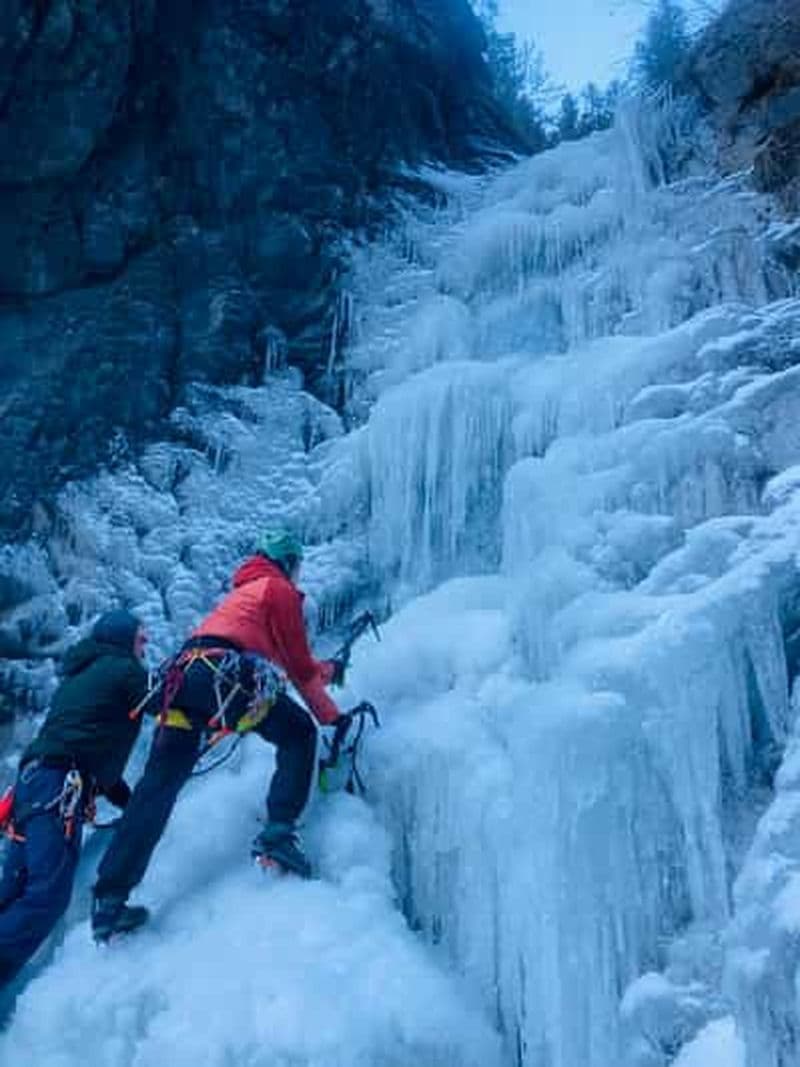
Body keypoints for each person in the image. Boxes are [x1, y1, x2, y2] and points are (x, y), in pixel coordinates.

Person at [91, 529, 348, 942]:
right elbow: (297, 667)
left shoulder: (241, 597)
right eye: (297, 568)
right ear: (289, 564)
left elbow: (291, 661)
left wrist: (327, 671)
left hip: (185, 682)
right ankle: (278, 832)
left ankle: (109, 900)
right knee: (298, 733)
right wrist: (331, 718)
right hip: (226, 678)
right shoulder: (277, 589)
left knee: (156, 789)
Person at [0, 610, 149, 986]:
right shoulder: (125, 668)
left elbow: (90, 748)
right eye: (140, 637)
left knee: (14, 889)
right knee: (47, 893)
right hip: (58, 785)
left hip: (34, 785)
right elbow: (165, 703)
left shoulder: (82, 675)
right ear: (121, 637)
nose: (144, 644)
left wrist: (128, 802)